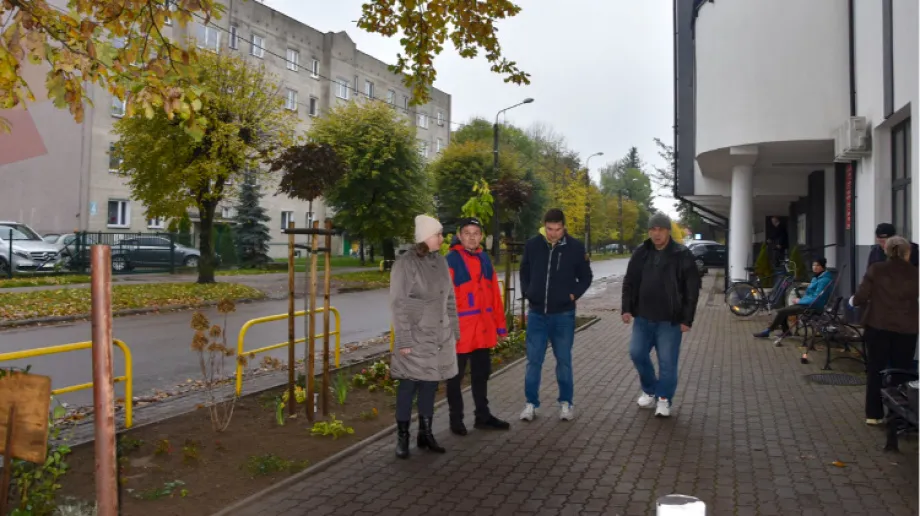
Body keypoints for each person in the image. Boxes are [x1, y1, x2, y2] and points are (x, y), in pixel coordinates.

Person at [389, 214, 459, 459]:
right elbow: (398, 304)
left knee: (431, 383)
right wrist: (404, 340)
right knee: (409, 385)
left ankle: (426, 434)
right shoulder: (405, 264)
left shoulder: (440, 262)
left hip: (439, 335)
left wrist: (454, 330)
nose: (442, 238)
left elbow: (450, 298)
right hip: (415, 335)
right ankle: (403, 437)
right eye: (438, 234)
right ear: (426, 237)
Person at [621, 213, 700, 418]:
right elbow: (629, 281)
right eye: (653, 229)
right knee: (637, 353)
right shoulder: (641, 252)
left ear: (668, 231)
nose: (656, 234)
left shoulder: (681, 254)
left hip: (670, 321)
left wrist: (687, 318)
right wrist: (626, 308)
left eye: (661, 229)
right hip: (643, 318)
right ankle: (650, 390)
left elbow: (692, 289)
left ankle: (664, 399)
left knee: (667, 362)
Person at [518, 209, 593, 422]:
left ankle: (566, 403)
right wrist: (528, 292)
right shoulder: (533, 245)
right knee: (533, 361)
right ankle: (531, 404)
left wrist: (573, 294)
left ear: (564, 227)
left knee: (564, 361)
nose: (553, 234)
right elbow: (524, 271)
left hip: (563, 315)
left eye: (558, 229)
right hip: (536, 314)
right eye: (550, 229)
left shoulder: (575, 247)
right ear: (544, 226)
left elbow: (586, 276)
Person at [444, 217, 511, 435]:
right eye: (467, 233)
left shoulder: (485, 260)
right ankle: (456, 420)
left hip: (482, 330)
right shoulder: (451, 261)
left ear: (481, 237)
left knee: (482, 375)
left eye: (476, 233)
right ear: (460, 235)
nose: (472, 237)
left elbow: (494, 297)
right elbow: (442, 299)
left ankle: (483, 416)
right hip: (460, 332)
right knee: (455, 377)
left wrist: (501, 328)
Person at [850, 236, 919, 425]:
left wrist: (853, 302)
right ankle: (898, 416)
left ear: (886, 251)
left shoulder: (877, 269)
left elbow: (862, 295)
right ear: (907, 252)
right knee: (901, 370)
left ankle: (873, 414)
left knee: (876, 369)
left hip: (878, 326)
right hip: (907, 329)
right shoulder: (915, 273)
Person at [753, 258, 834, 339]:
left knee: (781, 312)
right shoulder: (816, 278)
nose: (815, 267)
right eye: (813, 265)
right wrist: (801, 300)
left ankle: (768, 331)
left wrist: (800, 300)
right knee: (783, 310)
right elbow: (810, 294)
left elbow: (817, 298)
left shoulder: (824, 280)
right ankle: (785, 331)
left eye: (817, 265)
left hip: (813, 306)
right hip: (807, 304)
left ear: (823, 267)